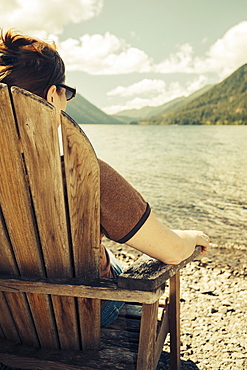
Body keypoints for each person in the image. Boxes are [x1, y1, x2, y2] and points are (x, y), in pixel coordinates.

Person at [0, 29, 210, 326]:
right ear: (50, 97)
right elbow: (172, 251)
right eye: (65, 92)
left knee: (111, 259)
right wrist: (190, 237)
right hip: (81, 318)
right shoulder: (84, 175)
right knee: (124, 274)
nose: (66, 101)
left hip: (9, 320)